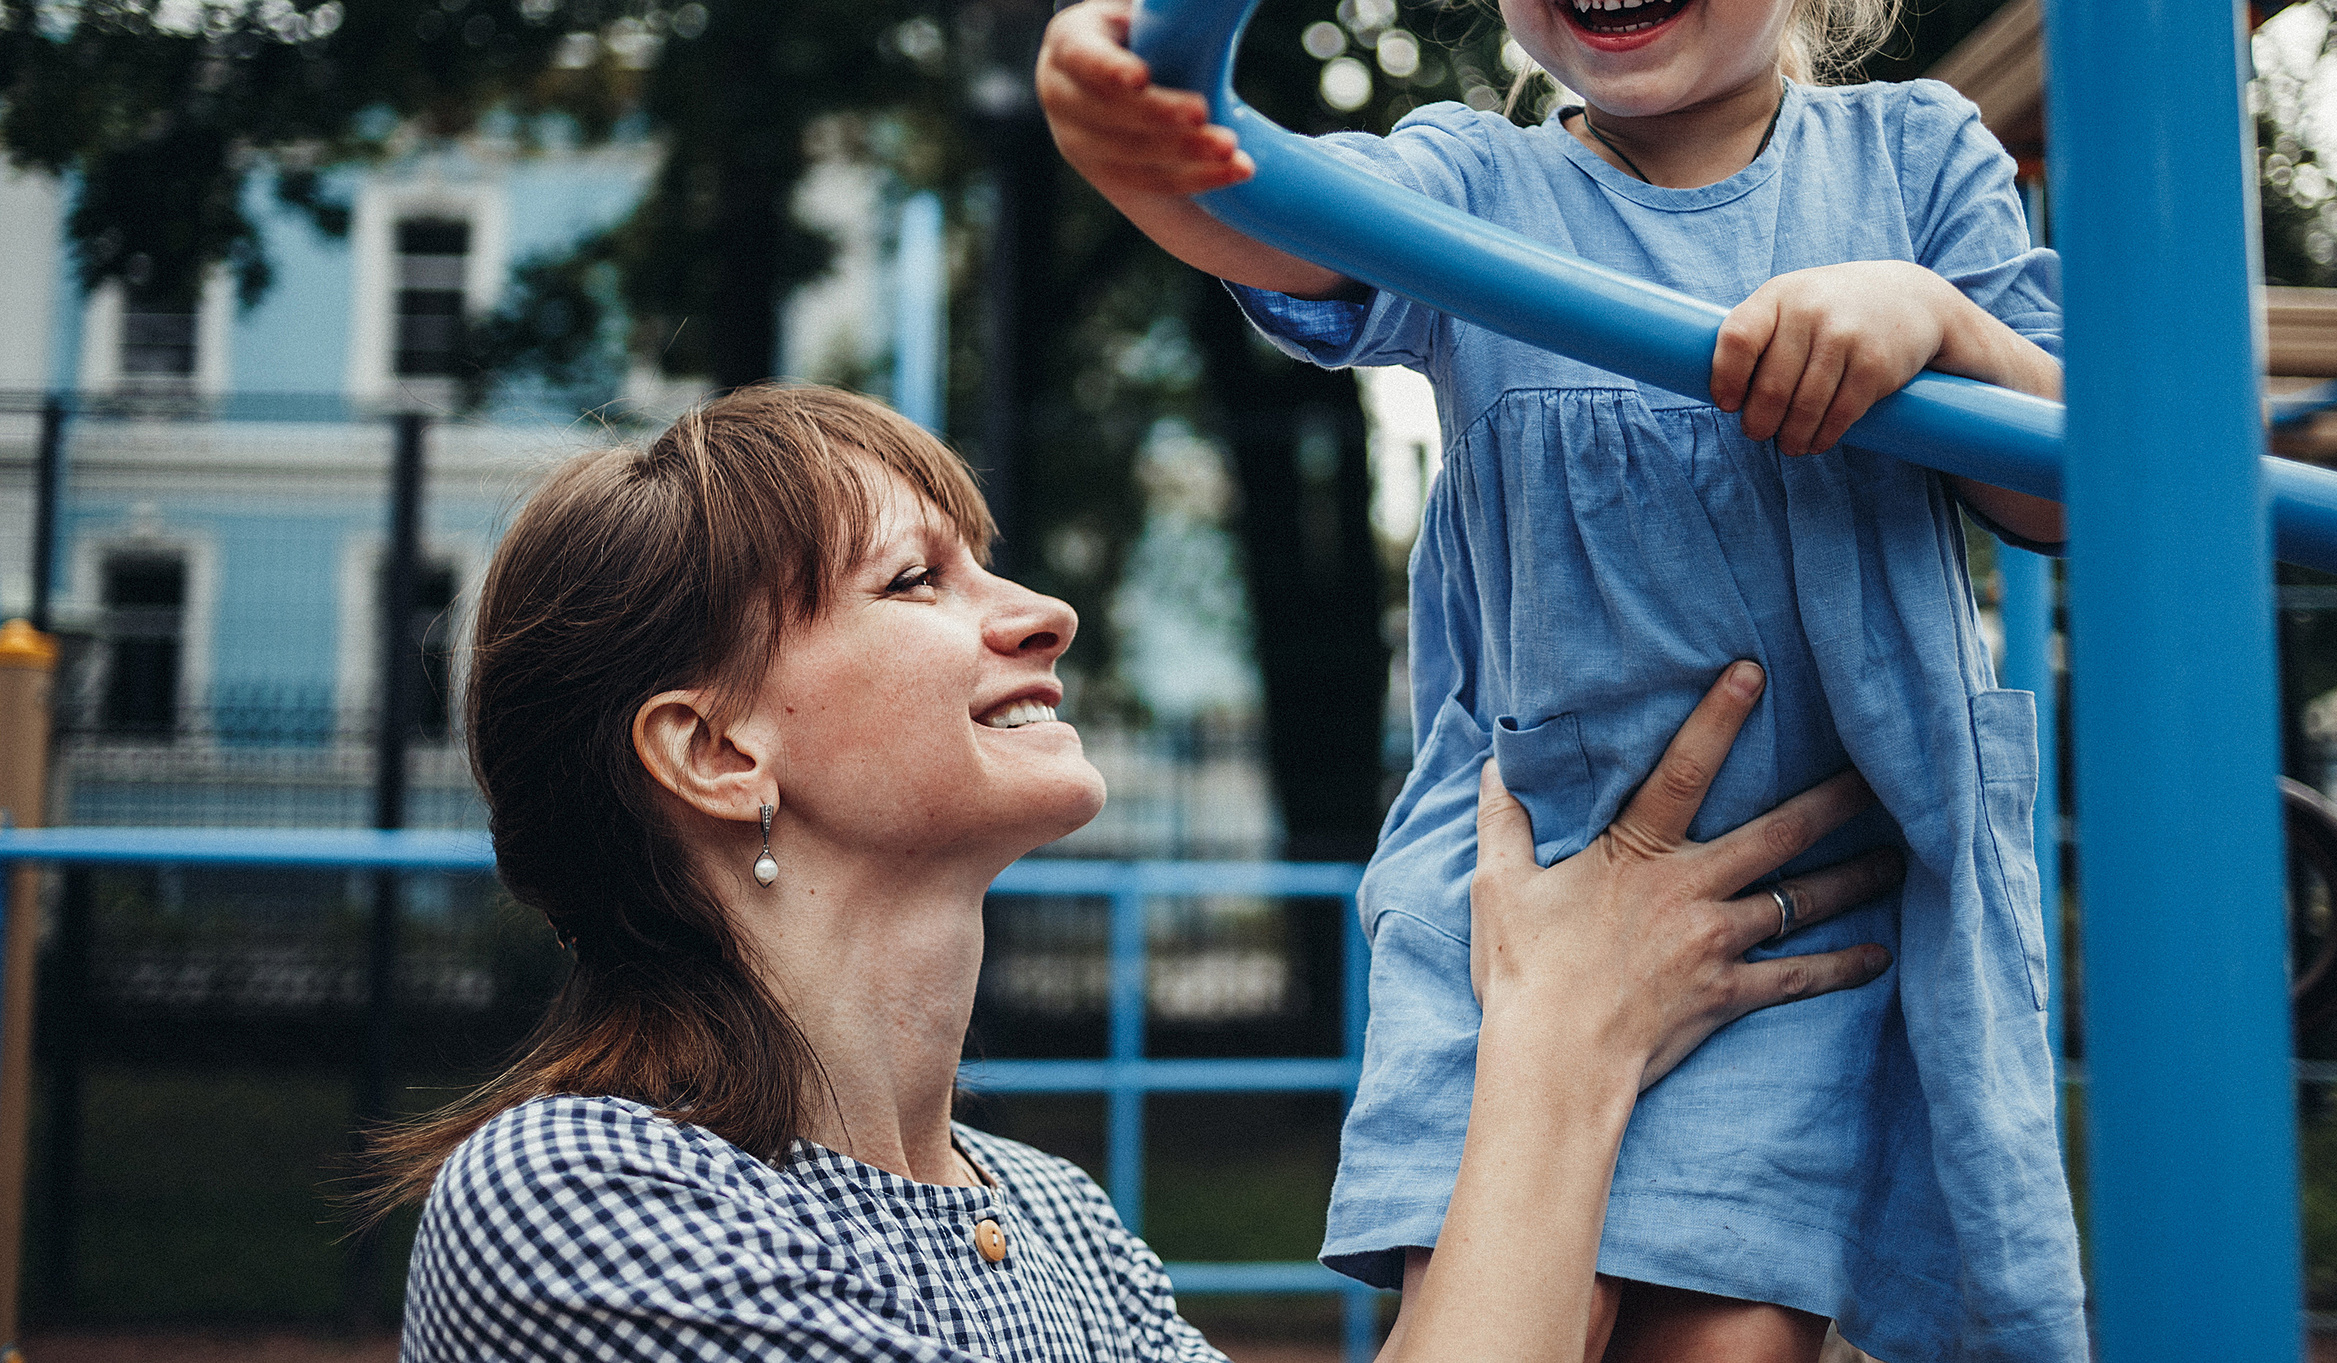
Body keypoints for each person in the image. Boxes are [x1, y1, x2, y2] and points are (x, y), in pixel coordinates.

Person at [1035, 0, 2083, 1358]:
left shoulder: (1910, 166)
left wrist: (1937, 325)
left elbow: (2077, 491)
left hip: (1802, 917)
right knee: (1514, 1302)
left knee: (1724, 1337)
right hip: (1516, 892)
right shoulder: (1481, 190)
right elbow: (1272, 209)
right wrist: (1139, 136)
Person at [370, 384, 1905, 1362]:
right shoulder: (581, 1197)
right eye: (920, 581)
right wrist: (1562, 1033)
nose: (1043, 613)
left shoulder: (1053, 1221)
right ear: (716, 755)